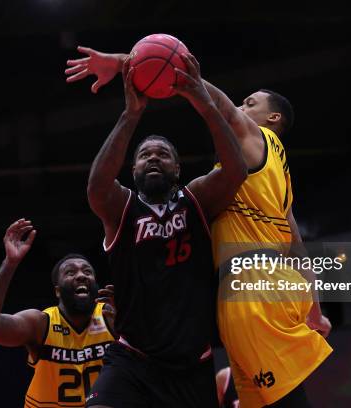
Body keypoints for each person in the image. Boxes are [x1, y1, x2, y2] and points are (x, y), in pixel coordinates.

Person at [66, 46, 333, 407]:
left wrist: (168, 75)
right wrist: (314, 309)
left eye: (249, 103)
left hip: (250, 288)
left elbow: (221, 109)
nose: (240, 108)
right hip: (274, 286)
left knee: (282, 402)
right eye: (241, 103)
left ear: (272, 120)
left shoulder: (257, 142)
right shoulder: (277, 180)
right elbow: (297, 246)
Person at [83, 55, 246, 408]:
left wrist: (205, 104)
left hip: (192, 365)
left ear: (177, 169)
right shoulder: (121, 207)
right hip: (132, 359)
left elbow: (236, 170)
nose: (153, 158)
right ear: (134, 168)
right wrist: (130, 115)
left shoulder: (196, 199)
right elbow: (96, 186)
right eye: (144, 155)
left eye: (162, 154)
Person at [0, 219, 116, 408]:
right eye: (70, 272)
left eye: (87, 271)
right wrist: (10, 263)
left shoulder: (110, 315)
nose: (81, 275)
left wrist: (129, 318)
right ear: (57, 291)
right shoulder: (41, 323)